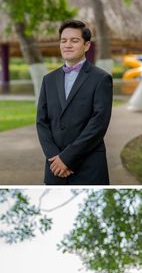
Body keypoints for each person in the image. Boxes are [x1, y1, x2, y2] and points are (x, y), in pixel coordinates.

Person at [36, 20, 112, 185]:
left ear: (86, 45)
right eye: (64, 41)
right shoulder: (48, 80)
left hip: (88, 167)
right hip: (54, 168)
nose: (67, 45)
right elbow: (41, 122)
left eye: (74, 40)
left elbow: (98, 124)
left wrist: (67, 158)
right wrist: (54, 158)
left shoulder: (101, 79)